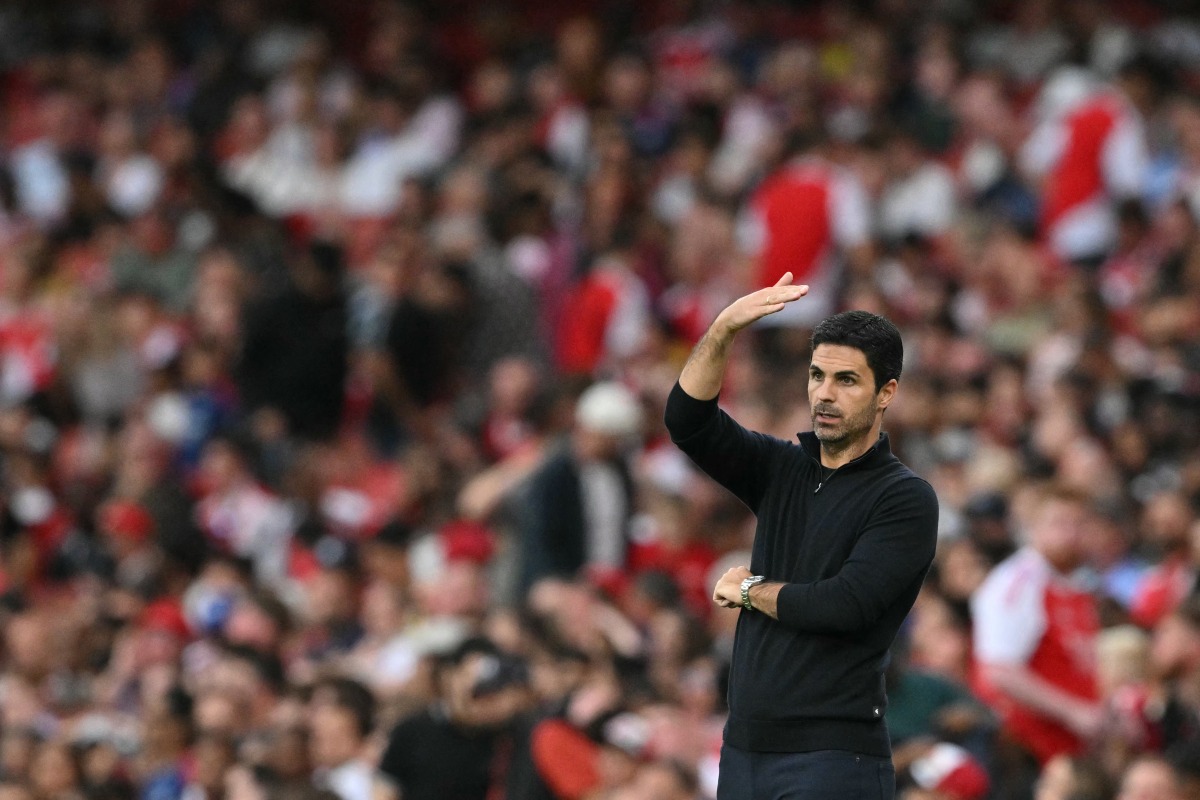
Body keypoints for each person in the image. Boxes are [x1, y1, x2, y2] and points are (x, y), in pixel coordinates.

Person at [663, 274, 939, 800]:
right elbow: (687, 421)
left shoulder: (904, 497)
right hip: (744, 750)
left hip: (832, 757)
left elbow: (845, 605)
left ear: (886, 393)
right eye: (817, 375)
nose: (825, 394)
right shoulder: (781, 468)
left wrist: (749, 590)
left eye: (846, 380)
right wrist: (722, 330)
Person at [970, 487, 1102, 769]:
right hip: (1030, 749)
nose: (1071, 534)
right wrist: (1074, 712)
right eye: (1059, 523)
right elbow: (1000, 671)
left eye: (1079, 524)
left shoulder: (1076, 585)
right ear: (1033, 527)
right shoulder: (1018, 582)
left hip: (1071, 747)